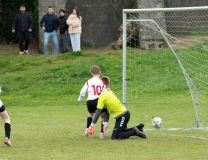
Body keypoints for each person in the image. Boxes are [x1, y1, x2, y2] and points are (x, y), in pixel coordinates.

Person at [78, 65, 107, 139]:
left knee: (90, 114)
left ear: (91, 73)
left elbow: (82, 91)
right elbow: (104, 92)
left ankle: (87, 130)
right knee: (102, 116)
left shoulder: (89, 82)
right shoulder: (102, 82)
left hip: (90, 101)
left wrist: (80, 98)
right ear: (99, 72)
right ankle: (102, 133)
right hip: (99, 100)